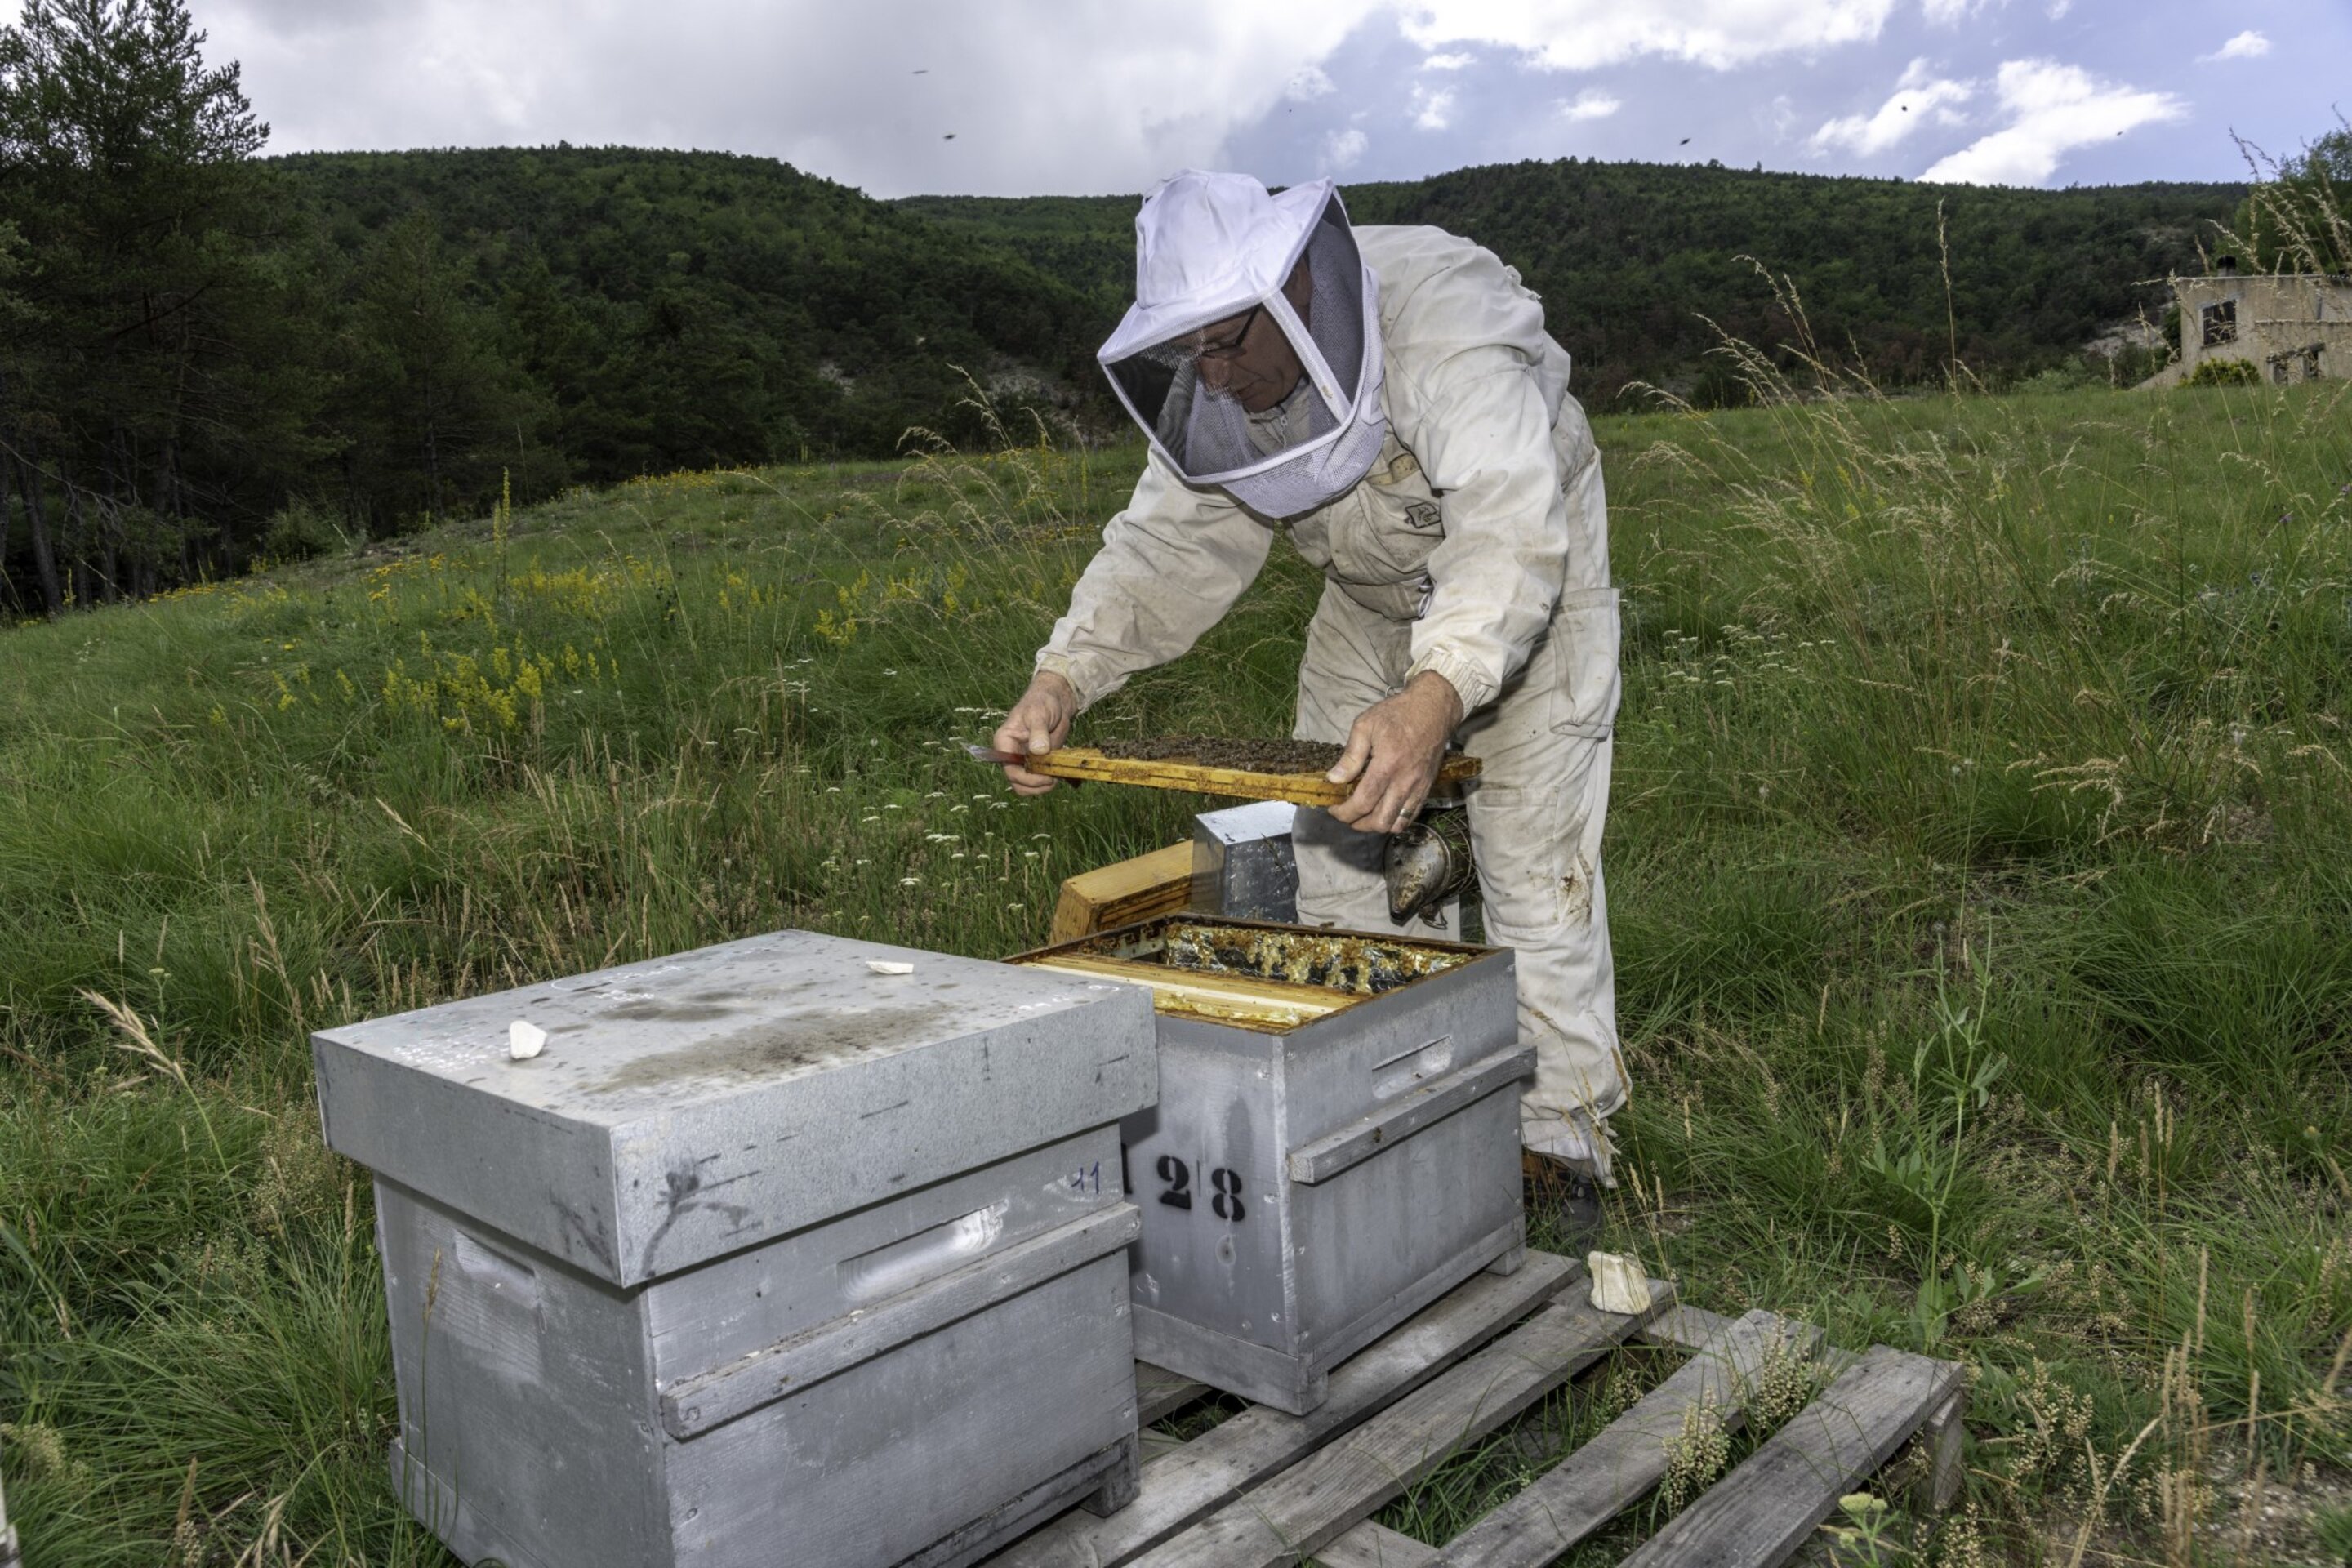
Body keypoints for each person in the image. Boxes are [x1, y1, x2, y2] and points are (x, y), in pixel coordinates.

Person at [991, 170, 1624, 1236]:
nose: (1217, 373)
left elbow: (1510, 528)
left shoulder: (1443, 318)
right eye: (1191, 352)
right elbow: (1170, 543)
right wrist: (1064, 676)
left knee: (1535, 875)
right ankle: (1396, 1103)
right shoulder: (1220, 377)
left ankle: (1563, 1156)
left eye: (1229, 343)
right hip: (1369, 601)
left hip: (1527, 583)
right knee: (1333, 861)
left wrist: (1436, 697)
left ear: (1297, 287)